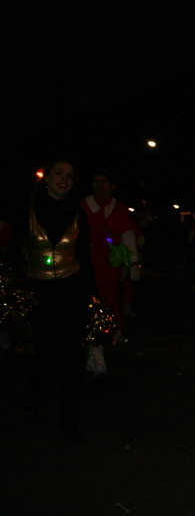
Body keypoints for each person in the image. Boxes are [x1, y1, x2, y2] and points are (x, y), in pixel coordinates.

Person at [9, 160, 96, 440]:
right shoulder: (28, 209)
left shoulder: (78, 212)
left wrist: (94, 298)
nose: (64, 178)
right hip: (39, 291)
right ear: (46, 178)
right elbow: (12, 253)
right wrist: (12, 290)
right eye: (59, 173)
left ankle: (69, 424)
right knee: (47, 357)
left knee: (74, 358)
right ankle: (31, 396)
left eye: (70, 175)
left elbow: (84, 256)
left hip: (73, 291)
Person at [81, 169, 140, 375]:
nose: (100, 185)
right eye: (96, 181)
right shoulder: (83, 205)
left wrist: (133, 263)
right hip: (87, 264)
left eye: (104, 182)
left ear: (112, 186)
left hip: (111, 266)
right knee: (90, 307)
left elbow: (128, 236)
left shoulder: (120, 208)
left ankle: (101, 349)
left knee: (107, 304)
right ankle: (96, 357)